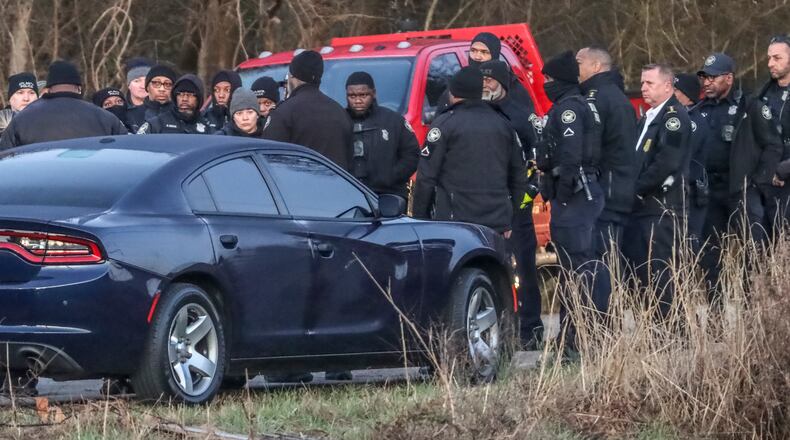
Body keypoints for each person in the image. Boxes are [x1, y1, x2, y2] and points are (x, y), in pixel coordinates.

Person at [534, 51, 603, 351]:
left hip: (575, 197)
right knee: (572, 267)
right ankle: (571, 335)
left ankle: (580, 336)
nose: (545, 84)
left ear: (561, 80)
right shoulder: (577, 104)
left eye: (549, 79)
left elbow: (571, 157)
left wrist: (561, 195)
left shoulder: (569, 110)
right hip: (578, 196)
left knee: (576, 267)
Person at [412, 65, 526, 235]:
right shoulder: (503, 124)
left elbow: (426, 177)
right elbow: (518, 174)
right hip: (497, 221)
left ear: (453, 93)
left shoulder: (444, 124)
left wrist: (420, 218)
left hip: (455, 222)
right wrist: (511, 216)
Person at [479, 59, 543, 349]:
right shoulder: (476, 113)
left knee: (524, 268)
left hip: (516, 205)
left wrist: (524, 199)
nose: (485, 85)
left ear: (502, 83)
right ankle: (501, 331)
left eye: (490, 80)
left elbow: (538, 161)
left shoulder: (520, 116)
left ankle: (530, 328)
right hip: (485, 204)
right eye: (481, 80)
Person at [625, 64, 692, 319]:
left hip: (662, 208)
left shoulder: (673, 117)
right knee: (644, 275)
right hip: (643, 208)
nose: (643, 88)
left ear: (667, 86)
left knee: (662, 275)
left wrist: (636, 189)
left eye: (649, 83)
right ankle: (654, 328)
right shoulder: (648, 116)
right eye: (642, 82)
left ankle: (671, 330)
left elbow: (667, 162)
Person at [576, 46, 638, 314]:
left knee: (603, 260)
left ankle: (604, 322)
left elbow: (595, 149)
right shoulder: (616, 96)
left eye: (579, 62)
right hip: (618, 189)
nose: (575, 68)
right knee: (610, 259)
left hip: (607, 193)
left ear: (596, 66)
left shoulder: (598, 99)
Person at [0, 61, 127, 149]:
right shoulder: (105, 117)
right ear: (79, 89)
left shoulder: (22, 118)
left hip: (37, 178)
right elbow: (123, 153)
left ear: (48, 89)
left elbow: (5, 158)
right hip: (90, 178)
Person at [263, 50, 353, 170]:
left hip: (296, 180)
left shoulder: (283, 112)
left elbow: (269, 160)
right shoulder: (340, 113)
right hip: (336, 181)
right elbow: (350, 163)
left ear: (292, 76)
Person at [345, 71, 419, 199]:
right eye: (352, 96)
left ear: (373, 93)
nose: (358, 101)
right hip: (349, 194)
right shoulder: (340, 121)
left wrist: (390, 177)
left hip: (388, 194)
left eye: (363, 95)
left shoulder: (393, 120)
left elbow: (412, 154)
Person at [755, 35, 790, 231]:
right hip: (764, 182)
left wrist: (783, 169)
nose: (770, 63)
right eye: (769, 58)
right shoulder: (764, 92)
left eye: (777, 58)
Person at [673, 73, 710, 245]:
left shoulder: (693, 121)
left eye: (675, 90)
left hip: (691, 191)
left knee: (688, 244)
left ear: (686, 95)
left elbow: (680, 153)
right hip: (680, 192)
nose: (671, 93)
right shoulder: (678, 117)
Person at [136, 74, 210, 134]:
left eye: (190, 95)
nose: (184, 99)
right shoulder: (157, 124)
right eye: (180, 94)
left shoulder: (207, 126)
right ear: (175, 97)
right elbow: (137, 144)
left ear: (199, 98)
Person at [125, 64, 177, 132]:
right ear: (147, 87)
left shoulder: (182, 115)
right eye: (156, 84)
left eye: (167, 84)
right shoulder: (130, 116)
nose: (162, 89)